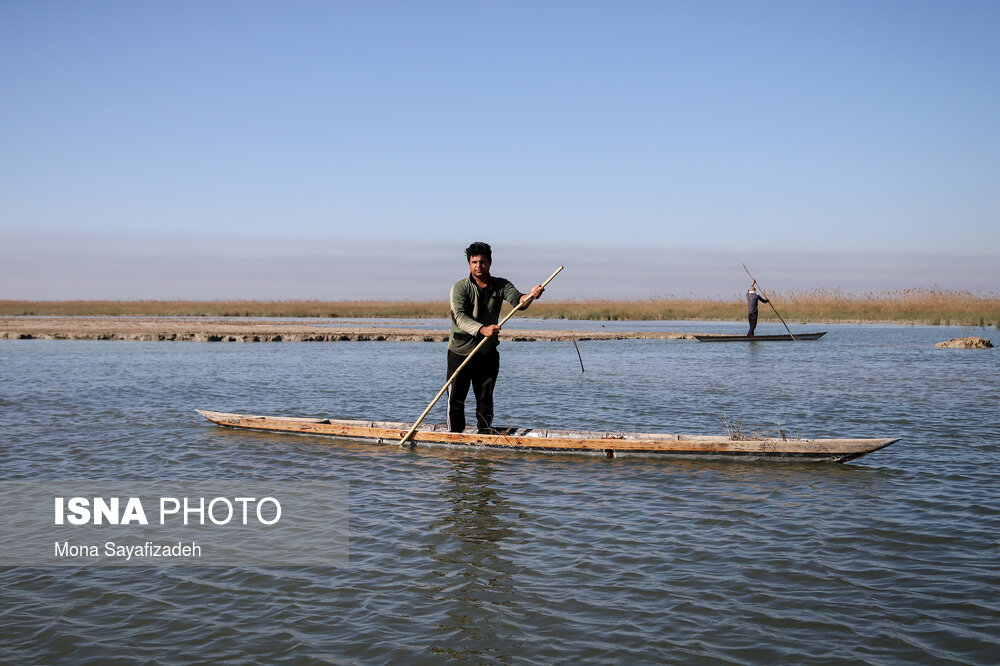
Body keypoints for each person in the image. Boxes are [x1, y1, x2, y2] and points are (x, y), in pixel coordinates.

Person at [447, 242, 544, 433]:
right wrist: (482, 329)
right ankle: (455, 437)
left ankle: (484, 435)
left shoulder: (501, 285)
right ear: (469, 264)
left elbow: (519, 301)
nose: (478, 266)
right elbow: (459, 317)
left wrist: (531, 296)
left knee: (485, 398)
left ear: (490, 262)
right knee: (456, 398)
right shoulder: (460, 287)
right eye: (474, 262)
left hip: (487, 352)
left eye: (482, 262)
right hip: (460, 351)